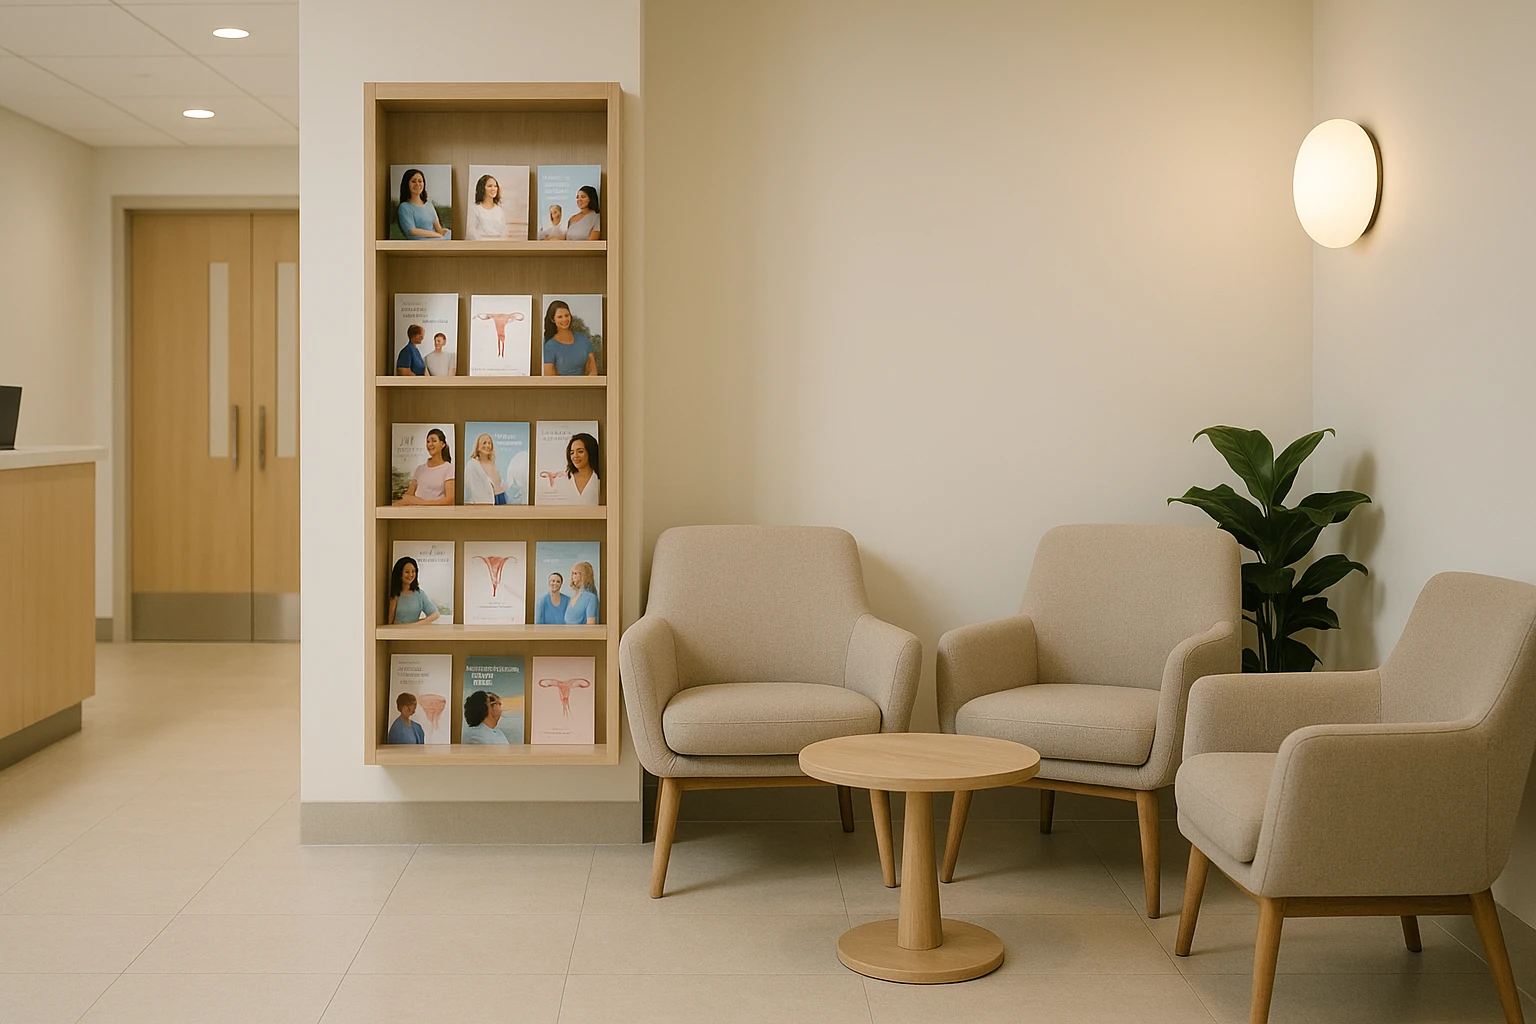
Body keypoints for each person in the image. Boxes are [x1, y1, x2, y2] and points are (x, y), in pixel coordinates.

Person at [395, 428, 455, 506]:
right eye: (428, 441)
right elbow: (409, 495)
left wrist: (420, 502)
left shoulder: (448, 468)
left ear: (442, 444)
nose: (430, 444)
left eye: (434, 441)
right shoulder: (420, 469)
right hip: (417, 513)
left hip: (438, 514)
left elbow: (450, 500)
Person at [541, 300, 598, 376]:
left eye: (566, 315)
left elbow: (592, 369)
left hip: (586, 387)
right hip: (561, 387)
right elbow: (550, 379)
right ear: (553, 319)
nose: (564, 319)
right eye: (560, 317)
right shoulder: (550, 346)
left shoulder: (582, 339)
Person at [396, 168, 451, 239]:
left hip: (436, 238)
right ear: (407, 184)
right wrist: (437, 235)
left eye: (420, 181)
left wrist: (445, 232)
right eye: (413, 181)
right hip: (421, 242)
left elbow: (439, 229)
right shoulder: (404, 207)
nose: (417, 184)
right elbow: (412, 231)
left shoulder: (429, 205)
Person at [386, 556, 440, 625]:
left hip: (414, 633)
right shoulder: (395, 595)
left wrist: (417, 623)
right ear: (399, 573)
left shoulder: (419, 594)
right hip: (397, 633)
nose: (410, 575)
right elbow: (390, 622)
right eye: (407, 572)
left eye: (413, 571)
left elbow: (435, 614)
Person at [553, 432, 600, 504]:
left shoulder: (600, 480)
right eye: (572, 453)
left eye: (580, 451)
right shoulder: (562, 480)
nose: (575, 456)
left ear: (590, 452)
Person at [463, 433, 507, 505]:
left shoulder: (492, 462)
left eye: (489, 443)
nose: (487, 445)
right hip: (487, 500)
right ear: (478, 446)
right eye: (484, 443)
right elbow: (470, 486)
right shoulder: (473, 465)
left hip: (500, 496)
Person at [466, 174, 508, 240]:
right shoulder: (475, 209)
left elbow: (504, 233)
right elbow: (471, 232)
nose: (493, 189)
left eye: (495, 186)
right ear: (482, 189)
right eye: (489, 186)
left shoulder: (500, 211)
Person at [565, 560, 600, 625]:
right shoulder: (574, 597)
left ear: (583, 576)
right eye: (572, 574)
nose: (573, 577)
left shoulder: (591, 598)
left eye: (575, 573)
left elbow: (591, 625)